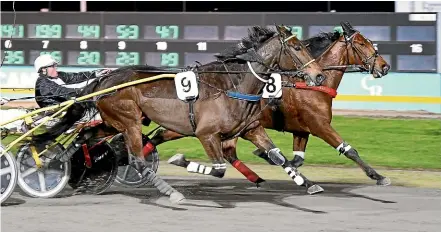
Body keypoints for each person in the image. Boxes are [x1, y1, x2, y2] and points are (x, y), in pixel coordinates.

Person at [34, 54, 112, 108]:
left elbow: (76, 77)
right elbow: (65, 92)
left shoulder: (59, 75)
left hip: (67, 107)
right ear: (43, 70)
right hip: (56, 113)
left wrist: (95, 74)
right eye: (53, 66)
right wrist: (89, 89)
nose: (56, 68)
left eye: (56, 66)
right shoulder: (43, 84)